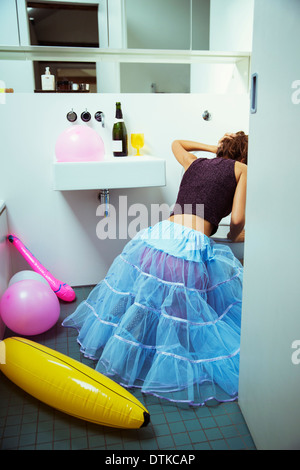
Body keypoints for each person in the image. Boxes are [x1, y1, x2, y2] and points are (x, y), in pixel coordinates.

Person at [63, 131, 248, 406]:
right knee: (185, 309)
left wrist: (213, 148)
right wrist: (234, 237)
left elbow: (177, 142)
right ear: (244, 156)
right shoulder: (242, 169)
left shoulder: (194, 163)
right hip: (188, 251)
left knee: (141, 298)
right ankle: (168, 357)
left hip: (155, 240)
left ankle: (111, 342)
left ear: (223, 148)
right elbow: (238, 218)